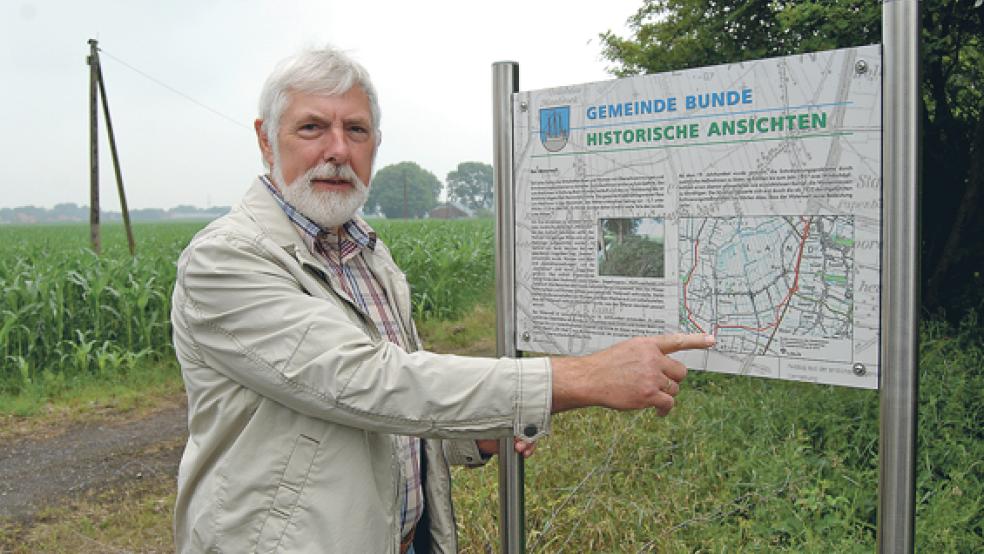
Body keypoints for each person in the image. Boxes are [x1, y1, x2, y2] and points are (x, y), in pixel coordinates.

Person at [170, 45, 715, 554]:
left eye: (356, 129)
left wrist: (474, 440)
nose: (338, 150)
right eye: (313, 127)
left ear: (376, 144)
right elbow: (370, 382)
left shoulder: (364, 253)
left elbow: (394, 412)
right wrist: (581, 377)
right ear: (267, 139)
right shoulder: (225, 260)